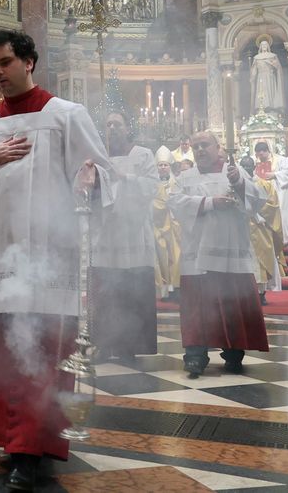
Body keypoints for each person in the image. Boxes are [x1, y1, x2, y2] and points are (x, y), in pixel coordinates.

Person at [0, 30, 111, 491]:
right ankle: (13, 441)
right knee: (7, 353)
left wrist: (90, 180)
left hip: (52, 257)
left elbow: (102, 172)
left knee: (47, 352)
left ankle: (33, 450)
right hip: (0, 255)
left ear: (30, 62)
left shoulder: (66, 115)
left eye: (5, 63)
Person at [168, 131, 269, 378]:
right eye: (196, 146)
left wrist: (240, 183)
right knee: (197, 308)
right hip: (198, 253)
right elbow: (175, 203)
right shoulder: (185, 177)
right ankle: (195, 356)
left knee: (231, 303)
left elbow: (258, 201)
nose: (200, 150)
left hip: (230, 251)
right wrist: (211, 203)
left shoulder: (234, 172)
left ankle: (233, 353)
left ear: (218, 147)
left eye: (205, 145)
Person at [92, 111, 159, 359]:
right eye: (108, 124)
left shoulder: (143, 154)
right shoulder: (99, 157)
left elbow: (153, 186)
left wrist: (126, 177)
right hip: (106, 231)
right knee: (107, 289)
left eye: (117, 124)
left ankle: (131, 345)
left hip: (134, 232)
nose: (112, 128)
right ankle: (104, 343)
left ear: (127, 127)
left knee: (132, 288)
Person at [239, 155, 285, 305]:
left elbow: (272, 206)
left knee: (261, 261)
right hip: (241, 230)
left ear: (254, 167)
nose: (246, 169)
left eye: (248, 166)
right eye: (243, 166)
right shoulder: (235, 185)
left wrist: (254, 212)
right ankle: (244, 293)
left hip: (260, 228)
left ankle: (261, 293)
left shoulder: (265, 185)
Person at [254, 141, 288, 249]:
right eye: (259, 153)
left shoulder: (281, 160)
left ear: (268, 151)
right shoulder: (255, 161)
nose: (261, 155)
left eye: (263, 152)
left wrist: (275, 175)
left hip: (278, 191)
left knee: (280, 212)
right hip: (262, 192)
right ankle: (266, 237)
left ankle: (282, 237)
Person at [154, 146, 181, 301]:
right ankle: (164, 289)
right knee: (162, 255)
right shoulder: (152, 183)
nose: (163, 167)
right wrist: (164, 203)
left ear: (170, 167)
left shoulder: (176, 182)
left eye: (165, 165)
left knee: (176, 254)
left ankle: (176, 287)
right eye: (160, 165)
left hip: (175, 224)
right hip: (159, 224)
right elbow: (152, 204)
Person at [250, 41, 283, 112]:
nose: (264, 46)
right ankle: (261, 108)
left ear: (268, 46)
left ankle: (271, 107)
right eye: (262, 45)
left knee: (270, 92)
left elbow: (278, 67)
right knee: (261, 92)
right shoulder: (257, 58)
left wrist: (274, 65)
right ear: (260, 47)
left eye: (265, 44)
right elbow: (254, 70)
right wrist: (252, 77)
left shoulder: (273, 56)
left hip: (270, 77)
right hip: (260, 77)